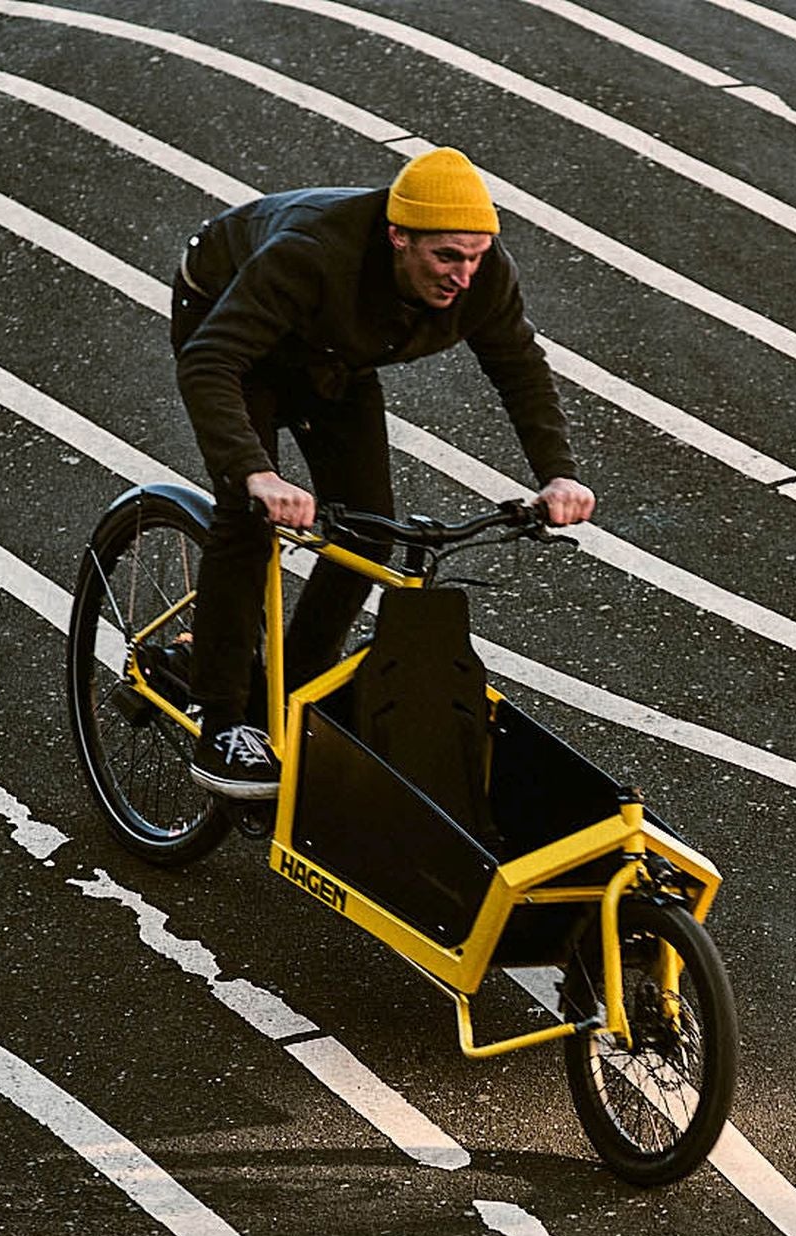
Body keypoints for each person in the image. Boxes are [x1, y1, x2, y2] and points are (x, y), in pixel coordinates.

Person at [169, 147, 595, 798]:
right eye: (446, 257)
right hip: (227, 324)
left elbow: (519, 367)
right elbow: (210, 362)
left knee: (366, 532)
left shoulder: (482, 279)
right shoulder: (311, 254)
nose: (462, 276)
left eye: (476, 257)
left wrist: (557, 475)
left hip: (335, 350)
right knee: (247, 519)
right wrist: (255, 474)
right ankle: (220, 717)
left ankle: (291, 701)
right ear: (398, 236)